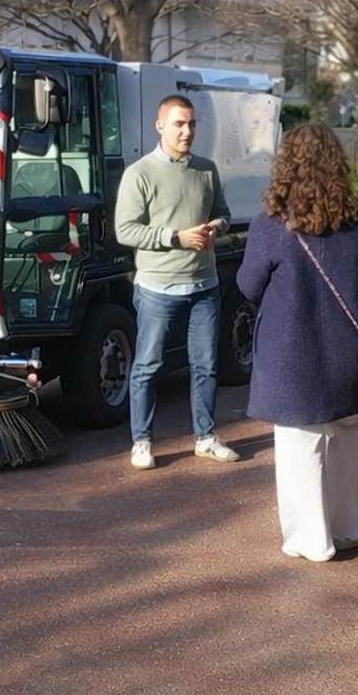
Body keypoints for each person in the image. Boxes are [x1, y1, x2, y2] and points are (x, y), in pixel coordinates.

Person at [236, 124, 358, 561]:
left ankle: (311, 538)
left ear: (286, 168)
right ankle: (350, 527)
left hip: (292, 356)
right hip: (347, 353)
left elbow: (247, 286)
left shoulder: (270, 227)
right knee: (345, 438)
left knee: (301, 448)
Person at [114, 94, 242, 470]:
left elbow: (223, 213)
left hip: (205, 285)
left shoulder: (206, 169)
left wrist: (216, 227)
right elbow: (125, 229)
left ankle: (205, 437)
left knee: (206, 365)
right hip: (157, 287)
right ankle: (142, 441)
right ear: (160, 126)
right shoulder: (140, 173)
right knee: (148, 366)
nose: (186, 132)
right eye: (178, 124)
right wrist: (176, 237)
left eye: (191, 124)